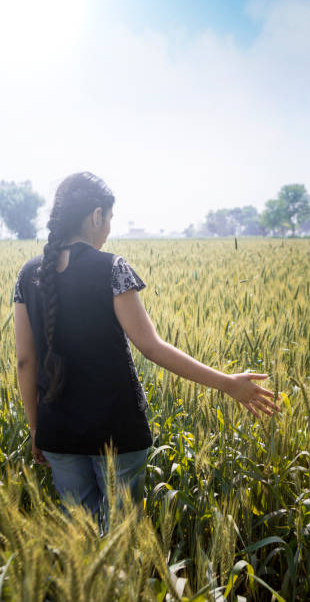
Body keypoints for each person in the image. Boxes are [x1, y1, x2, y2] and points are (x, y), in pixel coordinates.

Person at [13, 171, 279, 520]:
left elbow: (24, 362)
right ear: (97, 216)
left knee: (84, 539)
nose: (108, 228)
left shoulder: (28, 274)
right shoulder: (112, 268)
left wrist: (37, 430)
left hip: (58, 433)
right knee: (121, 538)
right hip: (118, 430)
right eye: (109, 219)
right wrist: (228, 383)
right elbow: (152, 347)